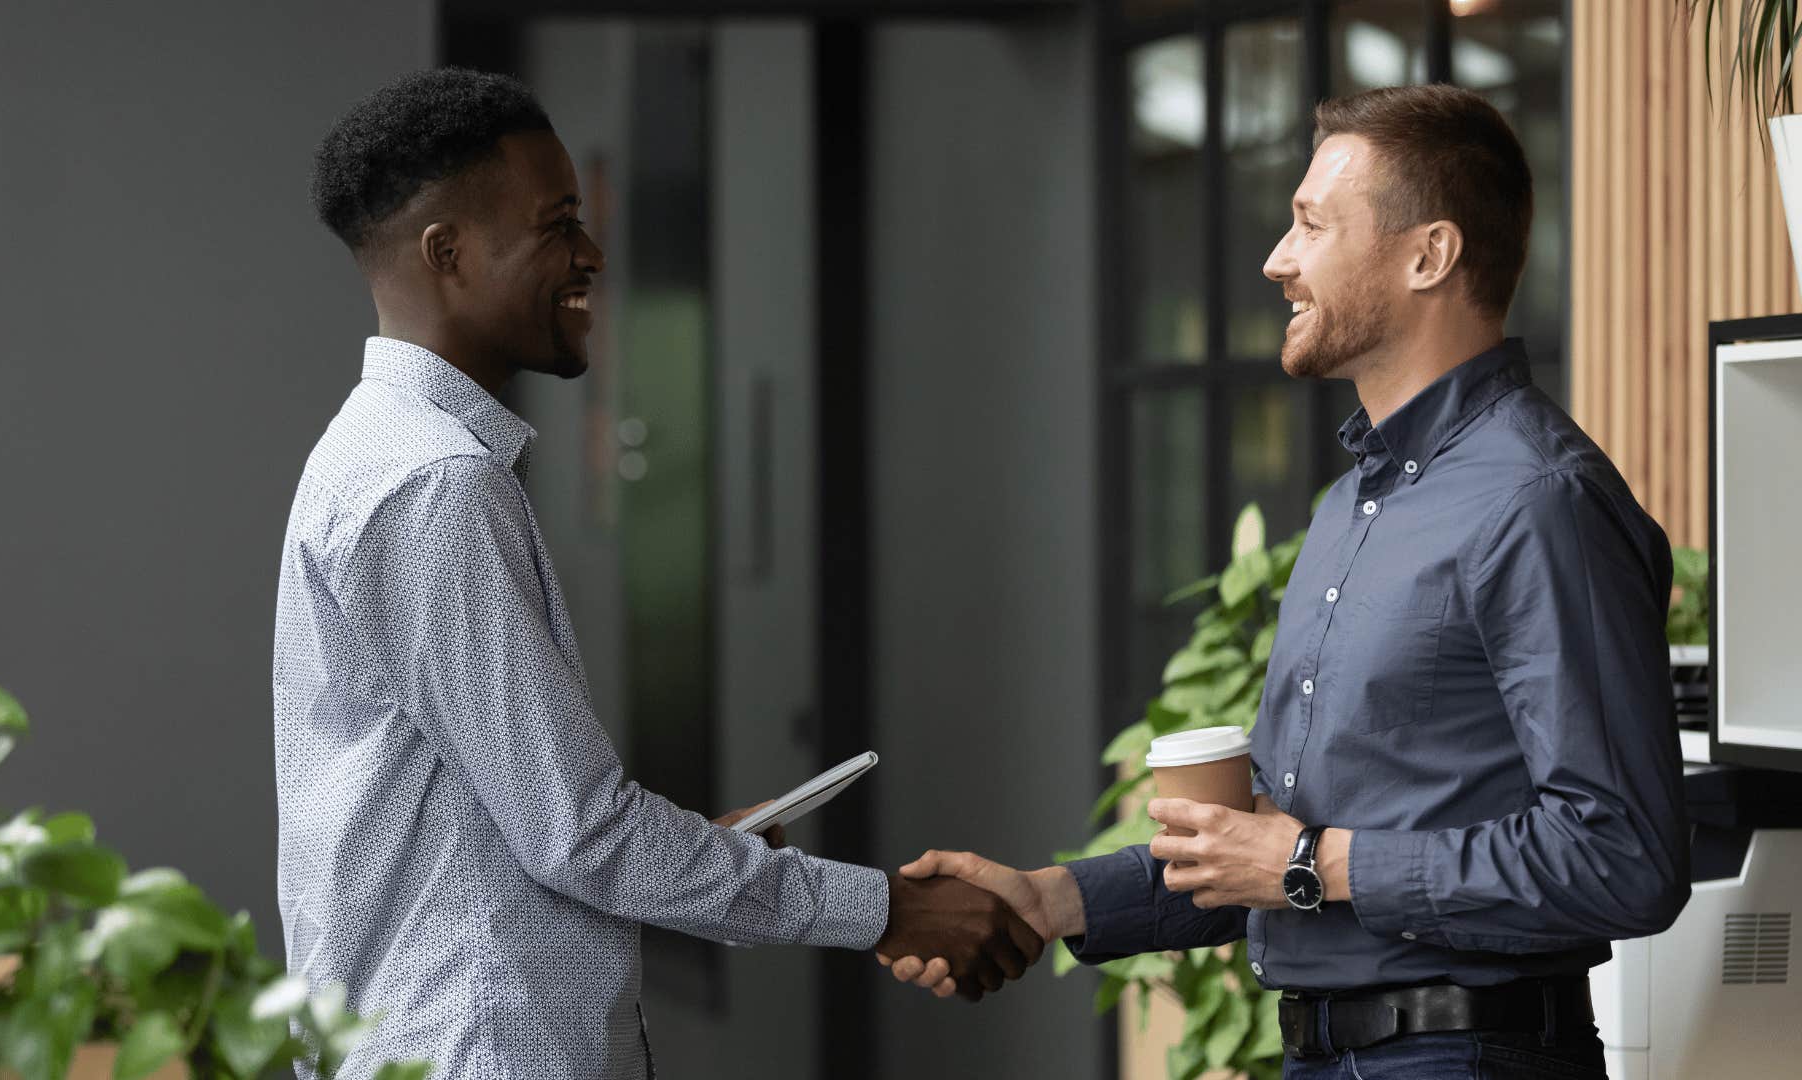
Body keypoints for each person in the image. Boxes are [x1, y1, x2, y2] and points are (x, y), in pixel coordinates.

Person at [884, 84, 1689, 1079]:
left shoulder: (1540, 502)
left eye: (1311, 223)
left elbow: (1624, 860)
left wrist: (1316, 864)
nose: (1277, 258)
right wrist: (1049, 900)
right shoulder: (1355, 504)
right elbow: (1268, 853)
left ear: (1428, 255)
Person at [273, 68, 1041, 1080]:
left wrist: (687, 855)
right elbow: (580, 836)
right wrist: (888, 908)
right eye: (557, 226)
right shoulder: (433, 487)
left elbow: (514, 821)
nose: (591, 255)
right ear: (447, 253)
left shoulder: (374, 453)